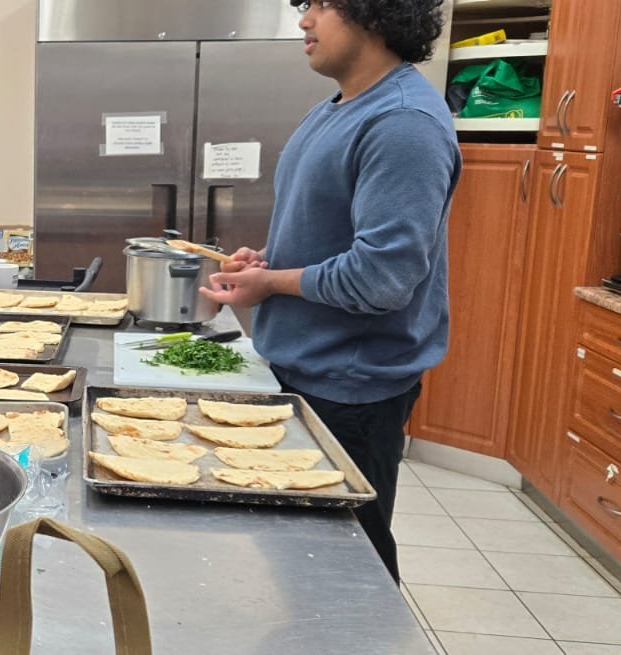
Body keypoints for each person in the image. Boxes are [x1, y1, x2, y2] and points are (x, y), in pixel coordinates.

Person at [199, 0, 459, 583]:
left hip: (352, 389)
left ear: (372, 12)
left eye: (320, 5)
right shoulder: (336, 108)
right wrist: (270, 263)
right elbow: (334, 236)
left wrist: (270, 283)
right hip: (306, 370)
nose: (304, 20)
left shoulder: (402, 123)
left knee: (349, 567)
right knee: (300, 558)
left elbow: (381, 279)